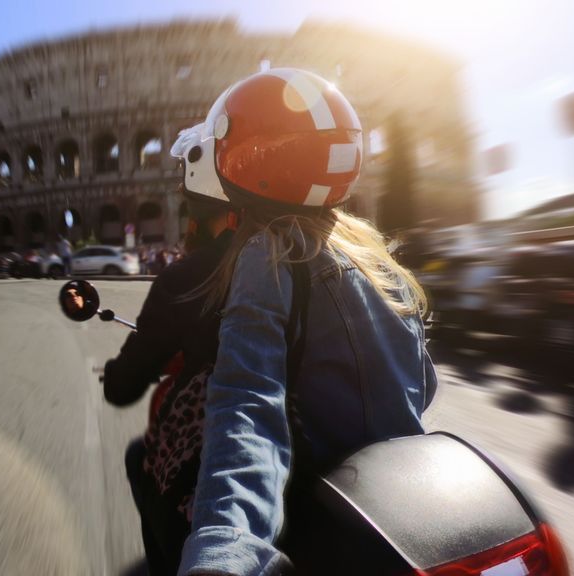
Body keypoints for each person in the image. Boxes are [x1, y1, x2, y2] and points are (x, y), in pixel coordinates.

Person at [177, 69, 438, 576]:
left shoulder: (269, 253)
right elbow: (423, 382)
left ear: (247, 160)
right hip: (408, 496)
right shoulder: (374, 255)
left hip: (329, 502)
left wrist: (226, 549)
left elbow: (247, 404)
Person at [102, 114, 240, 574]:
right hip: (343, 448)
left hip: (242, 458)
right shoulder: (344, 263)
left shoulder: (188, 277)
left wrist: (122, 374)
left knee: (140, 455)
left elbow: (121, 387)